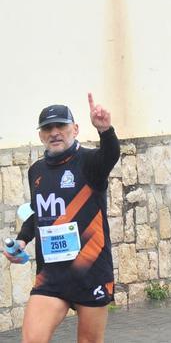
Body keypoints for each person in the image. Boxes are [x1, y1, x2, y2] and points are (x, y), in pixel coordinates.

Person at [7, 97, 120, 343]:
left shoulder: (91, 162)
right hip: (52, 274)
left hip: (90, 270)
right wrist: (22, 240)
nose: (55, 132)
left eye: (61, 126)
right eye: (48, 128)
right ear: (40, 136)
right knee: (32, 339)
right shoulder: (36, 171)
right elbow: (40, 212)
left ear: (75, 129)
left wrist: (105, 130)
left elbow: (111, 155)